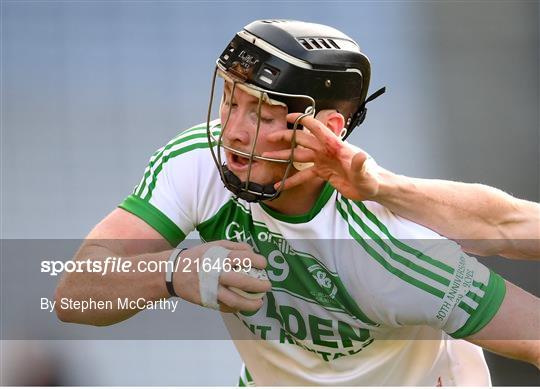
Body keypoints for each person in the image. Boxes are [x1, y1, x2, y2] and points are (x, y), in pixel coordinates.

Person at [55, 20, 540, 385]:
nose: (233, 130)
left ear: (324, 130)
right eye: (230, 99)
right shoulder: (198, 163)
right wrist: (174, 271)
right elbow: (74, 294)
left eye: (262, 113)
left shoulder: (392, 252)